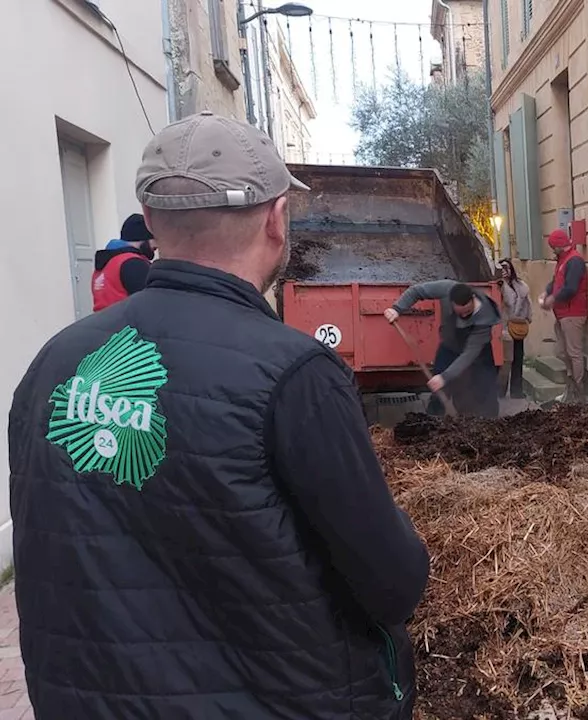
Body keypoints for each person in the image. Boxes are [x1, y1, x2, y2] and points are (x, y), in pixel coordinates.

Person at [7, 112, 429, 719]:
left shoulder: (55, 364)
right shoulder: (293, 374)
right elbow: (393, 583)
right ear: (277, 219)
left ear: (151, 220)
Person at [384, 280, 502, 417]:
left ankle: (488, 423)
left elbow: (469, 354)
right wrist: (397, 309)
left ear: (473, 300)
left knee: (485, 393)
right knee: (438, 391)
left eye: (467, 312)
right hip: (450, 347)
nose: (463, 316)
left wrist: (445, 377)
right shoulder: (448, 288)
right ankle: (433, 423)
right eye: (460, 313)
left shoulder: (486, 316)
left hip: (479, 356)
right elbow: (417, 291)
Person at [538, 228, 588, 402]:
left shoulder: (574, 261)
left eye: (553, 246)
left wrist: (552, 299)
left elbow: (570, 288)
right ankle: (571, 385)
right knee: (561, 351)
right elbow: (556, 282)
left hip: (573, 313)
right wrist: (546, 292)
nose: (552, 250)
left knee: (574, 353)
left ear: (559, 245)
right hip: (562, 313)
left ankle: (578, 391)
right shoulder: (563, 261)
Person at [91, 212, 155, 311]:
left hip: (105, 323)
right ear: (143, 238)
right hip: (128, 324)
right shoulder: (133, 263)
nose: (156, 246)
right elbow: (150, 304)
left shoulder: (104, 263)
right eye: (154, 239)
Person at [497, 258, 532, 400]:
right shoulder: (498, 286)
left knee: (518, 359)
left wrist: (528, 318)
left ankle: (516, 391)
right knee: (505, 361)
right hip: (504, 327)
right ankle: (500, 391)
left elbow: (527, 304)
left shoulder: (521, 286)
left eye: (508, 268)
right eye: (503, 269)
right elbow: (506, 303)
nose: (506, 271)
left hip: (518, 327)